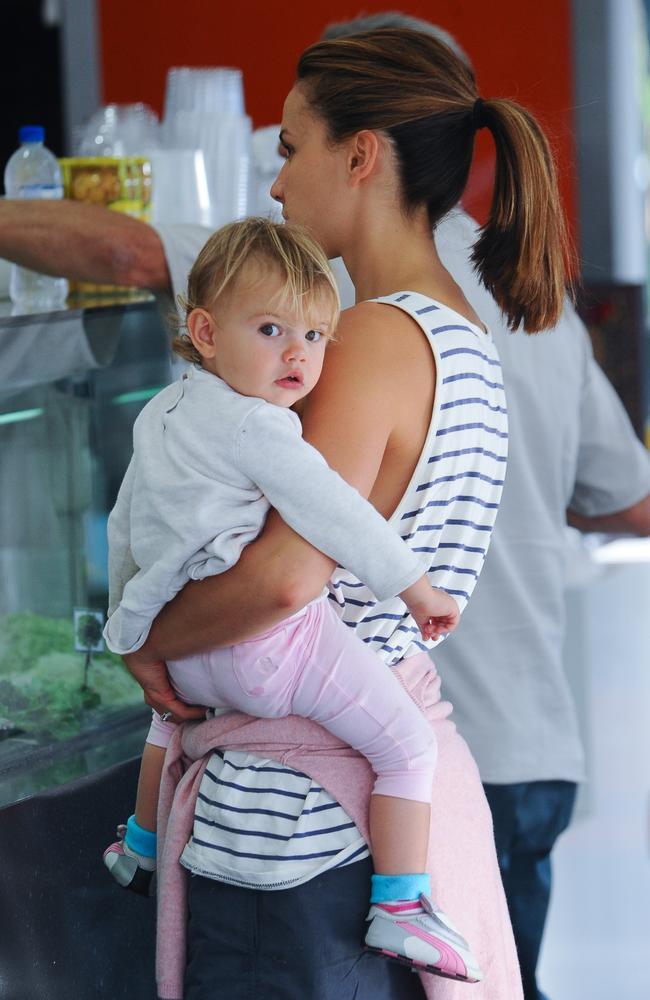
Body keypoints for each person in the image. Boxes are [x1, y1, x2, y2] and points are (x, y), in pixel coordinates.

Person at [115, 26, 572, 1000]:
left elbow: (287, 575)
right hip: (369, 809)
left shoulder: (366, 335)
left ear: (359, 154)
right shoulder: (458, 331)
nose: (275, 184)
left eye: (288, 148)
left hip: (293, 829)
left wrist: (143, 638)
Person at [100, 215, 485, 982]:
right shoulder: (260, 427)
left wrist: (130, 631)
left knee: (165, 723)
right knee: (408, 746)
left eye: (314, 336)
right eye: (272, 328)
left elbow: (123, 527)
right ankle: (402, 906)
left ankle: (140, 843)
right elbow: (336, 513)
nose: (298, 355)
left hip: (192, 657)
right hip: (266, 651)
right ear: (204, 330)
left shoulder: (160, 414)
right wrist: (412, 585)